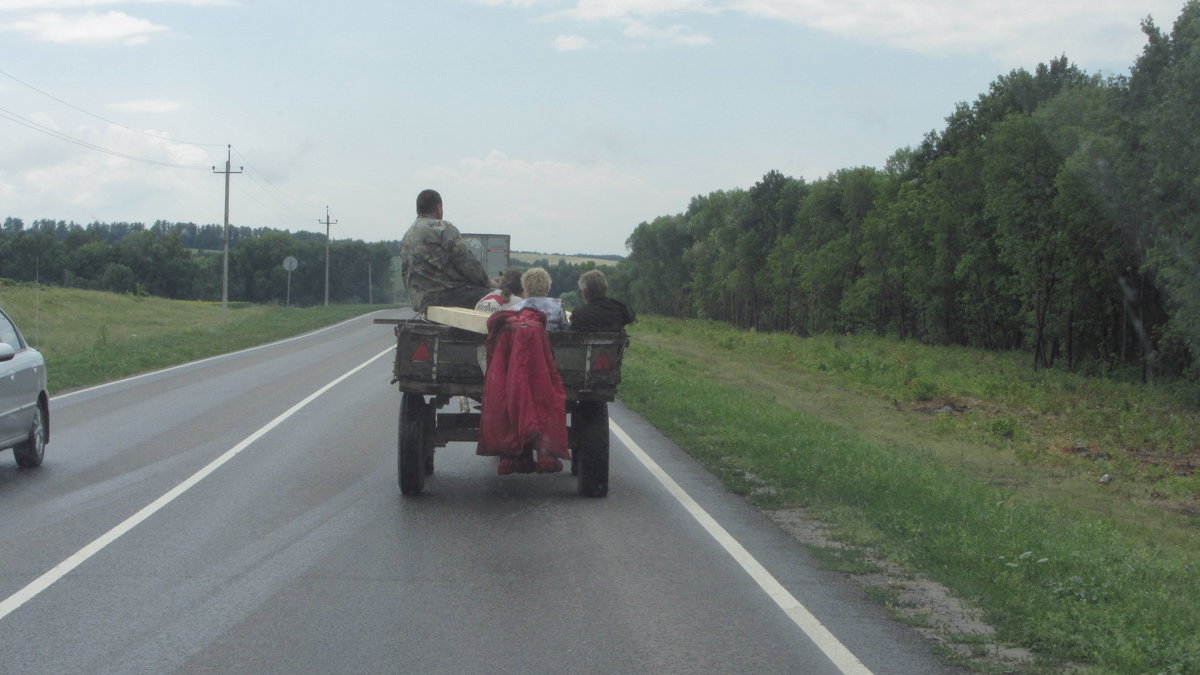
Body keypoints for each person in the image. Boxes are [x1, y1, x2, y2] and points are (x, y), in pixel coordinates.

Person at [399, 189, 495, 313]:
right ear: (439, 207)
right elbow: (467, 263)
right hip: (446, 297)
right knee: (497, 298)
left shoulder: (408, 235)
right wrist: (487, 282)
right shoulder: (441, 228)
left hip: (419, 301)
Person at [569, 269, 636, 332]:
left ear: (585, 292)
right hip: (614, 344)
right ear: (605, 288)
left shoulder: (579, 314)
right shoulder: (620, 309)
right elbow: (631, 317)